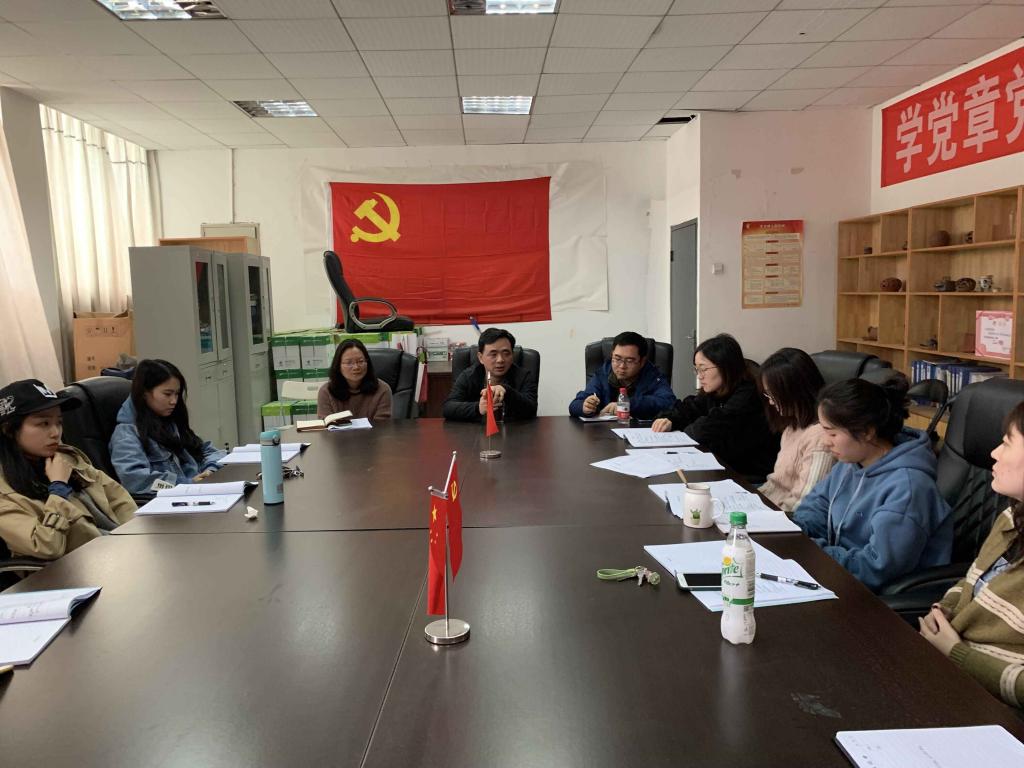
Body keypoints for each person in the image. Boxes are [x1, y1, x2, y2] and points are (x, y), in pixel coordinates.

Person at [793, 374, 952, 592]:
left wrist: (811, 550)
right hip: (839, 575)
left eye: (832, 433)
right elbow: (816, 507)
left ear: (867, 432)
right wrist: (796, 533)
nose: (825, 441)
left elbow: (877, 567)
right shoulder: (849, 463)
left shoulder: (909, 488)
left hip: (879, 597)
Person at [919, 400, 1024, 708]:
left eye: (1007, 443)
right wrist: (945, 611)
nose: (994, 453)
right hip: (952, 672)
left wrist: (956, 653)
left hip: (997, 707)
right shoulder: (1012, 518)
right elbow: (973, 580)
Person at [0, 379, 136, 559]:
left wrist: (138, 536)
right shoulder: (4, 489)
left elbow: (120, 500)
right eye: (43, 423)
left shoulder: (67, 457)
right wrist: (58, 488)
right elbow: (47, 546)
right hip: (76, 568)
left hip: (119, 552)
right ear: (9, 429)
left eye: (59, 422)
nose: (56, 433)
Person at [651, 334, 778, 478]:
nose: (699, 376)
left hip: (750, 476)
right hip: (723, 467)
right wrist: (670, 419)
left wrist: (687, 430)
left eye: (703, 369)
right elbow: (690, 408)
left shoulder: (749, 394)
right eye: (696, 369)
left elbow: (707, 428)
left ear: (725, 367)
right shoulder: (716, 390)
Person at [110, 359, 226, 496]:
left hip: (197, 493)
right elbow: (135, 480)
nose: (174, 401)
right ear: (144, 393)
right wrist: (186, 484)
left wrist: (210, 470)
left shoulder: (169, 423)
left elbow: (208, 450)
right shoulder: (126, 434)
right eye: (167, 394)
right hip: (172, 501)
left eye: (177, 394)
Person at [757, 348, 835, 512]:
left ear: (794, 391)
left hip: (787, 518)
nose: (771, 402)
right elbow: (776, 485)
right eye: (767, 395)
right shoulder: (793, 426)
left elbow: (804, 502)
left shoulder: (819, 437)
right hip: (769, 506)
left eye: (773, 395)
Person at [568, 331, 675, 420]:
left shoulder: (653, 376)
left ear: (642, 362)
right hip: (604, 433)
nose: (622, 366)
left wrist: (626, 405)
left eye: (629, 361)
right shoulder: (604, 373)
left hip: (640, 432)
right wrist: (584, 407)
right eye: (617, 359)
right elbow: (574, 405)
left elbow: (669, 403)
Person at [443, 328, 537, 423]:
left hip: (513, 430)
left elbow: (532, 410)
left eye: (506, 353)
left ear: (512, 355)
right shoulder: (469, 376)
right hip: (475, 430)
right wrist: (478, 408)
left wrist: (506, 391)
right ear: (481, 357)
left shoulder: (523, 376)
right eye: (493, 354)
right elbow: (448, 408)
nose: (500, 360)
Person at [317, 339, 392, 420]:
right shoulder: (326, 391)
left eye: (360, 361)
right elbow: (325, 424)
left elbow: (382, 425)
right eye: (349, 363)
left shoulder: (382, 389)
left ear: (367, 363)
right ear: (338, 366)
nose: (356, 367)